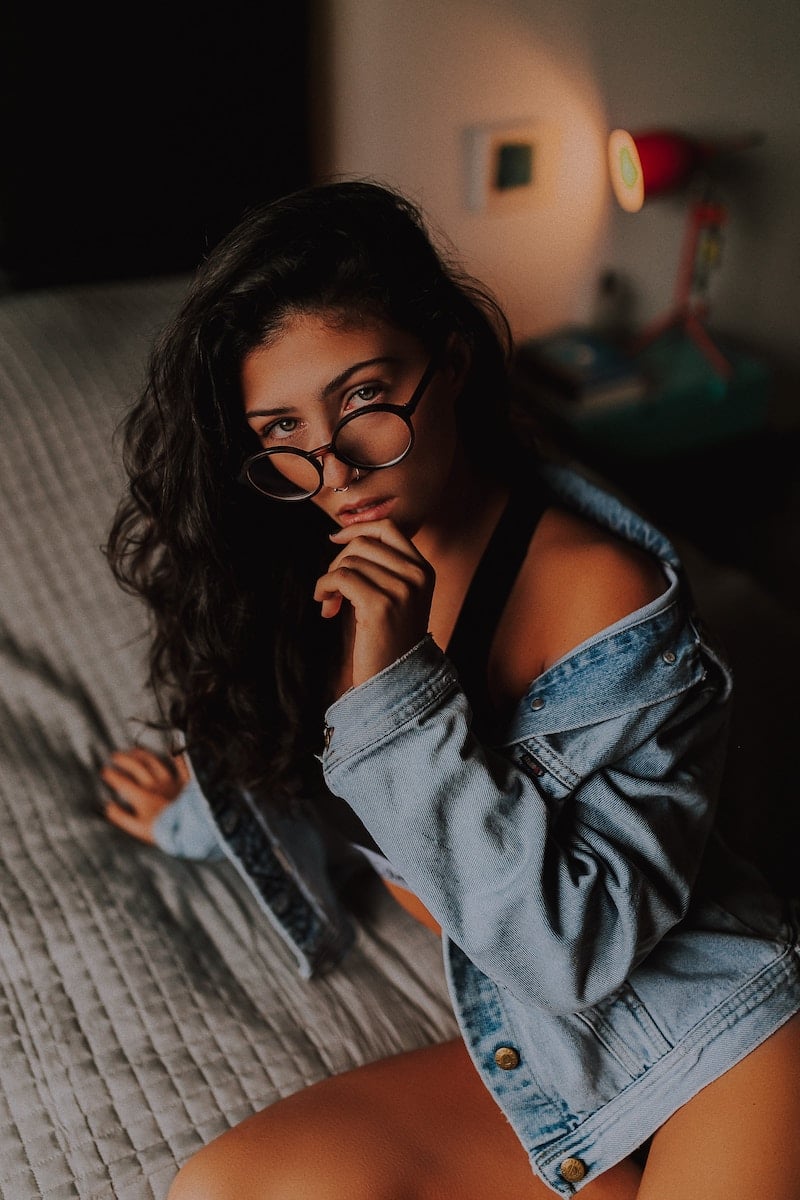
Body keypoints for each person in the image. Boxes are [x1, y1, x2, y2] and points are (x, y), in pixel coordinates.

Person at [101, 178, 800, 1200]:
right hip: (547, 1059)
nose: (331, 467)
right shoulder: (308, 559)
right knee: (217, 1188)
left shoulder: (599, 595)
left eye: (363, 400)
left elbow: (572, 950)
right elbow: (302, 761)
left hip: (714, 1039)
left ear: (453, 361)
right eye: (282, 433)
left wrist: (392, 690)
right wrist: (199, 815)